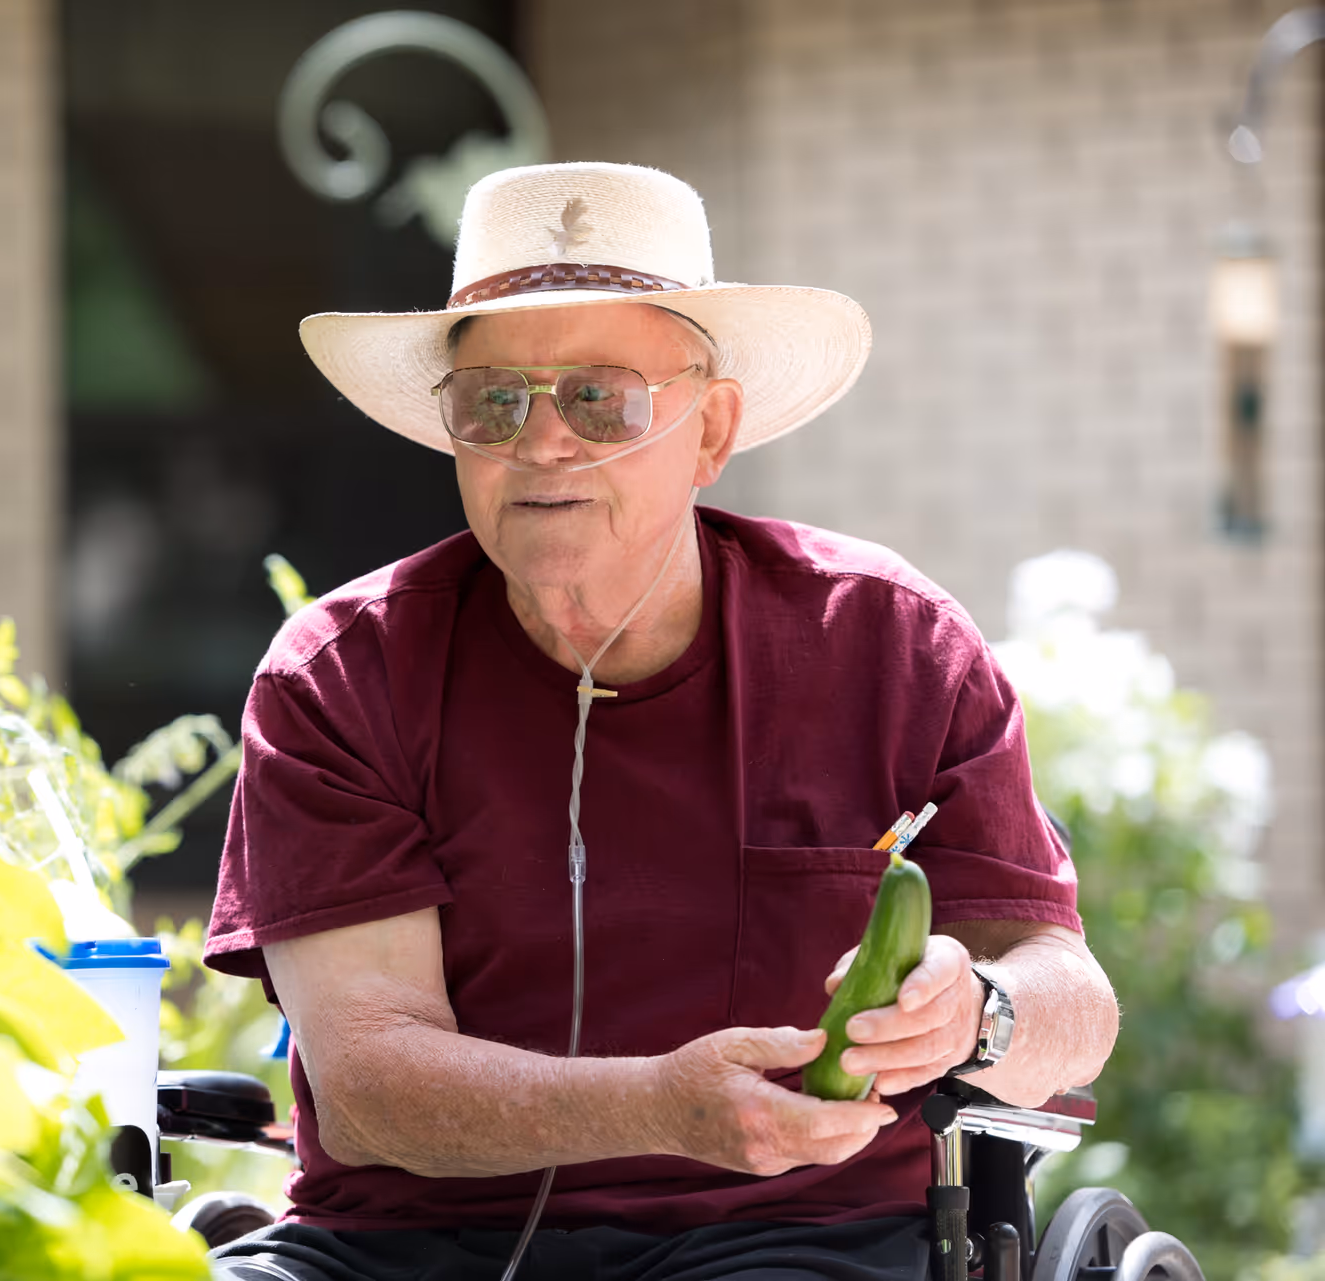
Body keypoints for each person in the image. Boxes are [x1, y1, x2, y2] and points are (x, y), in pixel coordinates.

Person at [202, 162, 1117, 1281]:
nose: (541, 442)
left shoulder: (892, 643)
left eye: (600, 397)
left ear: (711, 428)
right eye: (494, 400)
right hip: (399, 1247)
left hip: (791, 1240)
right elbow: (372, 1091)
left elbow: (1071, 1001)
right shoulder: (339, 676)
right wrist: (661, 1105)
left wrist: (980, 1014)